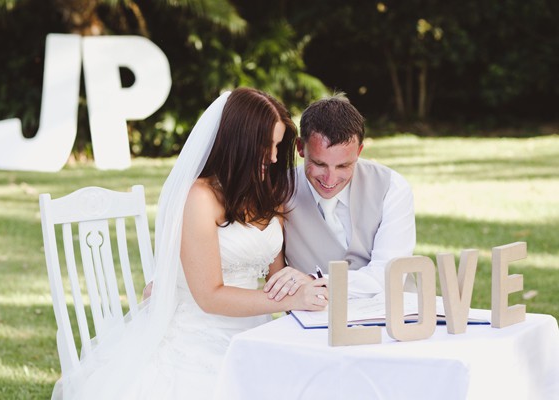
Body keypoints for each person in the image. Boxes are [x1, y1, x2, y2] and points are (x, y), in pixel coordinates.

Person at [53, 88, 328, 400]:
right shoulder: (199, 198)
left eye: (277, 146)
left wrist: (299, 283)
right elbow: (209, 297)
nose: (275, 157)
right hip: (201, 336)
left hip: (254, 331)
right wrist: (290, 301)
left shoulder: (264, 191)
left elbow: (276, 275)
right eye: (266, 146)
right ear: (239, 143)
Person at [264, 93, 416, 300]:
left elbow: (389, 275)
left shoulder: (392, 188)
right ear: (301, 148)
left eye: (343, 165)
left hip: (394, 319)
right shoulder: (278, 191)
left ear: (359, 151)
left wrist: (315, 281)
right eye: (319, 164)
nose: (330, 178)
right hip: (314, 321)